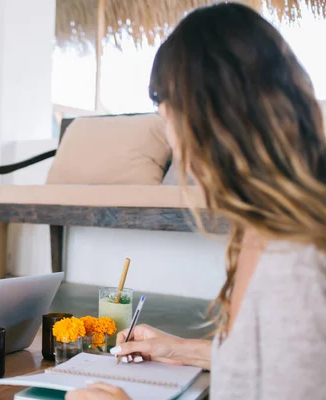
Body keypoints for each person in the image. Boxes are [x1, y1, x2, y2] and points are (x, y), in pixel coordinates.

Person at [68, 3, 326, 400]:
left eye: (167, 120)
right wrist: (181, 349)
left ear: (204, 121)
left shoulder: (294, 264)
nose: (172, 141)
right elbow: (272, 365)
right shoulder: (263, 231)